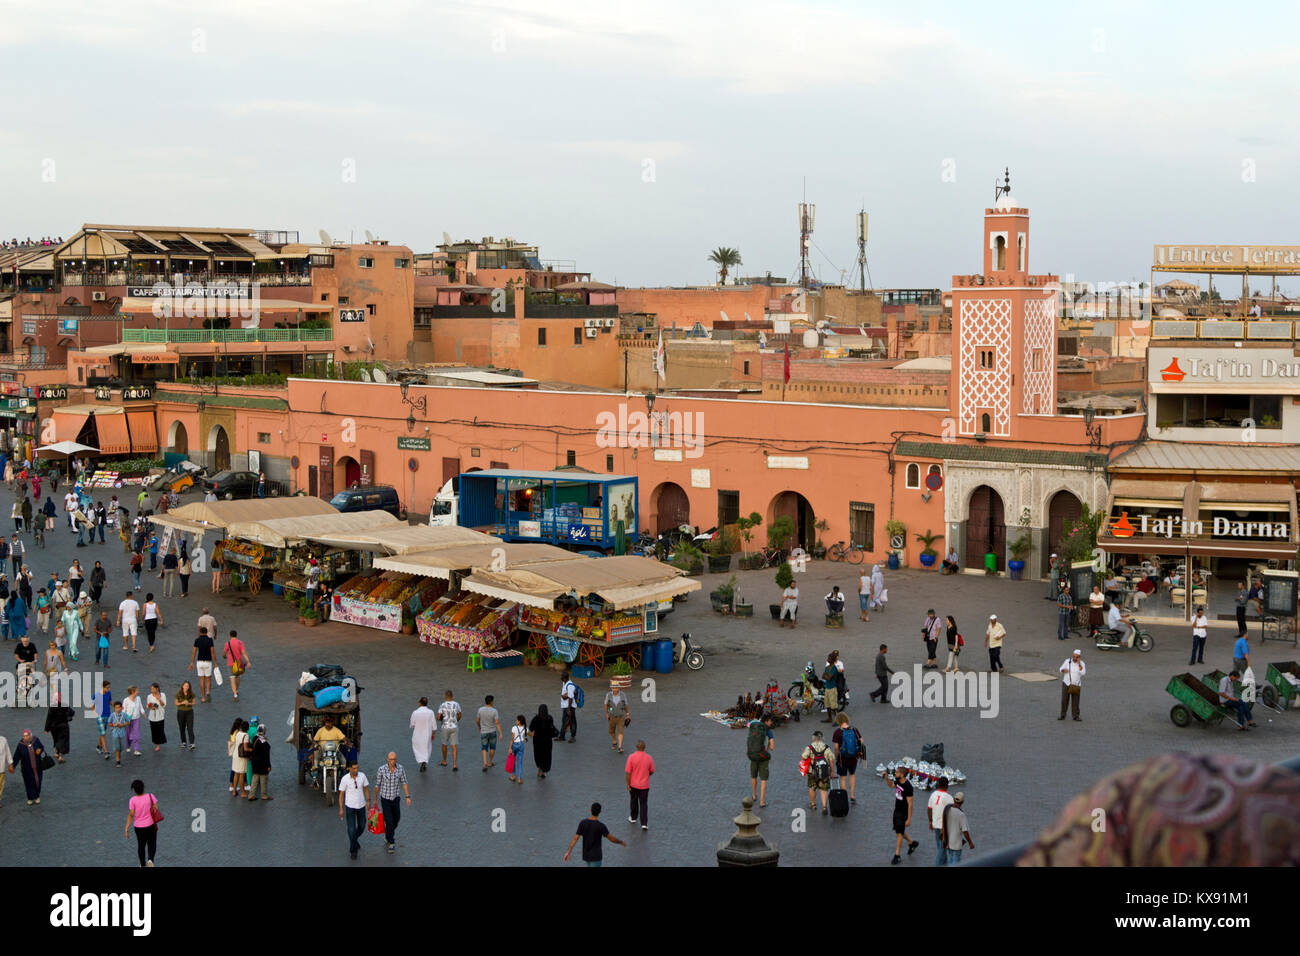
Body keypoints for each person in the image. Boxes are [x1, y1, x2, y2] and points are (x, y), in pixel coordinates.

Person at [373, 752, 410, 851]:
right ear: (387, 759)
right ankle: (391, 842)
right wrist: (375, 800)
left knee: (396, 819)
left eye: (393, 759)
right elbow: (377, 785)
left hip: (395, 798)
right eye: (390, 759)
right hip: (385, 799)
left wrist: (407, 796)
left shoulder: (400, 769)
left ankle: (388, 833)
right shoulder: (381, 769)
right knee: (389, 821)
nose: (392, 761)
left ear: (396, 760)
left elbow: (404, 782)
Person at [886, 764, 920, 864]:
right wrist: (886, 778)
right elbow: (891, 785)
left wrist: (909, 819)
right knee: (898, 830)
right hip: (896, 810)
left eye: (896, 772)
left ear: (901, 774)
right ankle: (912, 843)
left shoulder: (908, 787)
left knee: (899, 834)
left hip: (903, 813)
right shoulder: (897, 781)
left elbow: (910, 804)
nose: (895, 773)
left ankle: (897, 855)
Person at [338, 762, 371, 860]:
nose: (356, 770)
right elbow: (341, 795)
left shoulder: (362, 776)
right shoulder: (345, 779)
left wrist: (368, 801)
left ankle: (354, 840)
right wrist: (341, 808)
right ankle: (353, 850)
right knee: (351, 829)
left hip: (361, 805)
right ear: (349, 769)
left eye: (357, 768)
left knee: (362, 826)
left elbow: (366, 789)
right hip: (350, 807)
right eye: (354, 768)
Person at [125, 779, 161, 867]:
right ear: (143, 788)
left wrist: (126, 828)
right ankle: (150, 860)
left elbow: (131, 814)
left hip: (138, 827)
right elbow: (156, 807)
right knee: (152, 843)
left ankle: (142, 864)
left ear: (134, 790)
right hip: (151, 825)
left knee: (141, 845)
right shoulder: (150, 796)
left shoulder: (132, 800)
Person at [8, 729, 46, 805]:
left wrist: (40, 750)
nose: (25, 737)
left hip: (37, 767)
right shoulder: (21, 744)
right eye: (24, 736)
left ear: (30, 735)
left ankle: (37, 796)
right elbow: (16, 756)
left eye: (27, 736)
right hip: (26, 768)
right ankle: (30, 798)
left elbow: (42, 747)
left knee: (38, 781)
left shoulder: (36, 740)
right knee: (28, 783)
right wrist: (13, 766)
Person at [831, 712, 862, 804]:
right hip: (853, 757)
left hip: (842, 758)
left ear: (838, 721)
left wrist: (836, 757)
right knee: (852, 775)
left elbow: (836, 748)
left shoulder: (837, 732)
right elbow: (861, 741)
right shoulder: (854, 729)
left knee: (843, 778)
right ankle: (852, 795)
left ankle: (844, 796)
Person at [802, 729, 834, 815]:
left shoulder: (809, 747)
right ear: (822, 738)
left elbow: (804, 757)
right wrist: (832, 771)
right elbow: (831, 760)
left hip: (812, 772)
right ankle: (824, 807)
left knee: (812, 788)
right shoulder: (827, 747)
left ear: (813, 738)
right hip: (824, 772)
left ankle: (813, 804)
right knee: (824, 789)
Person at [625, 739, 655, 829]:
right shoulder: (649, 758)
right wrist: (646, 775)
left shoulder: (631, 757)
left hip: (633, 785)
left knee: (633, 801)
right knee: (643, 803)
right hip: (645, 785)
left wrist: (627, 784)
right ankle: (644, 823)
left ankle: (633, 818)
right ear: (644, 747)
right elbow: (652, 770)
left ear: (636, 747)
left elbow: (628, 772)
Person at [747, 712, 775, 807]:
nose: (771, 723)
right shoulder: (768, 731)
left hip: (753, 755)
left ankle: (754, 795)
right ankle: (762, 801)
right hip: (763, 757)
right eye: (771, 721)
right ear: (767, 721)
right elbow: (772, 747)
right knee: (763, 779)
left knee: (754, 776)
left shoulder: (754, 727)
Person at [927, 776, 954, 866]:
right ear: (947, 786)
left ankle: (944, 864)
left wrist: (930, 821)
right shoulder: (949, 797)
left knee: (940, 847)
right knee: (942, 849)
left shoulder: (933, 794)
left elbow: (929, 809)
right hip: (944, 827)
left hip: (935, 825)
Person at [942, 792, 974, 864]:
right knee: (956, 862)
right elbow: (965, 831)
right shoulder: (961, 814)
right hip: (956, 844)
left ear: (953, 799)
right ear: (962, 801)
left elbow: (943, 824)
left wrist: (944, 839)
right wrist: (970, 843)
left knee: (950, 861)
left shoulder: (947, 810)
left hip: (948, 842)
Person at [189, 626, 215, 702]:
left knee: (201, 680)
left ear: (200, 632)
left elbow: (194, 652)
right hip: (208, 662)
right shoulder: (210, 640)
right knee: (208, 679)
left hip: (199, 662)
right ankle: (208, 692)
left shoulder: (197, 640)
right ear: (207, 632)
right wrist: (215, 663)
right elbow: (212, 652)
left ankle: (203, 697)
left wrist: (192, 662)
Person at [44, 693, 73, 763]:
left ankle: (56, 753)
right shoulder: (64, 705)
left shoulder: (52, 707)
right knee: (62, 741)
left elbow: (49, 718)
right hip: (63, 726)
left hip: (53, 727)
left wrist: (46, 729)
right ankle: (60, 756)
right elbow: (72, 712)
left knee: (56, 740)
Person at [436, 689, 461, 770]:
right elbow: (459, 714)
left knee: (444, 744)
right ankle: (454, 764)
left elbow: (438, 717)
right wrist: (456, 720)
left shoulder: (442, 705)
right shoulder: (457, 704)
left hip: (445, 727)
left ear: (445, 696)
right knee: (454, 746)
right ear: (452, 696)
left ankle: (444, 761)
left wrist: (441, 720)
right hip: (454, 727)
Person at [476, 694, 502, 770]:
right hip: (492, 731)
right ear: (491, 702)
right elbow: (497, 722)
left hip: (483, 731)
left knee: (484, 748)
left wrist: (479, 727)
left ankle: (485, 763)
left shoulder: (480, 709)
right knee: (492, 748)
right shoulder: (494, 711)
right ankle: (490, 762)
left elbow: (477, 721)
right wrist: (500, 733)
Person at [409, 697, 436, 771]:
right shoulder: (431, 712)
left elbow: (412, 724)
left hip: (417, 734)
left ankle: (421, 762)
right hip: (427, 734)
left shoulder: (415, 712)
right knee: (427, 748)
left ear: (420, 703)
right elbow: (434, 726)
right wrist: (433, 734)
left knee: (417, 748)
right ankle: (424, 762)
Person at [1059, 649, 1085, 721]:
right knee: (1064, 700)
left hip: (1076, 685)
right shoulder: (1067, 661)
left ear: (1079, 657)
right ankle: (1062, 715)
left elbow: (1083, 673)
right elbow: (1060, 668)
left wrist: (1079, 664)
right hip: (1066, 683)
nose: (1075, 658)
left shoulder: (1082, 663)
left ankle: (1076, 716)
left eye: (1076, 657)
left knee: (1075, 701)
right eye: (1074, 656)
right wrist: (1063, 670)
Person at [223, 629, 249, 701]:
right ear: (236, 635)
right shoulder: (240, 643)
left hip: (231, 663)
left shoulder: (228, 643)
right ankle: (236, 690)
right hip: (239, 663)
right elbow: (244, 653)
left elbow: (224, 653)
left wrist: (224, 656)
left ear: (230, 636)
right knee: (238, 677)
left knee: (232, 678)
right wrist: (248, 661)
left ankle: (234, 694)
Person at [605, 680, 630, 752]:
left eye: (616, 687)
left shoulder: (623, 695)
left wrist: (627, 714)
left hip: (621, 716)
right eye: (613, 688)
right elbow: (606, 705)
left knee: (620, 731)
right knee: (611, 731)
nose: (615, 689)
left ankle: (620, 747)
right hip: (612, 716)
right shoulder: (608, 695)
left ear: (619, 688)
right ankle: (614, 742)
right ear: (611, 688)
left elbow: (625, 705)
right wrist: (607, 713)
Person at [249, 725, 273, 800]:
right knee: (263, 780)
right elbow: (266, 756)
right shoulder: (265, 743)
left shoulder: (254, 738)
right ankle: (264, 795)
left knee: (254, 779)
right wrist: (269, 766)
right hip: (263, 764)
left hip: (254, 763)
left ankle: (251, 795)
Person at [229, 719, 250, 797]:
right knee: (242, 774)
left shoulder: (238, 733)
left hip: (235, 755)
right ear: (247, 728)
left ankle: (234, 791)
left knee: (236, 774)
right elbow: (245, 748)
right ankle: (243, 792)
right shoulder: (246, 736)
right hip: (242, 757)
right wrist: (251, 749)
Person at [122, 685, 144, 756]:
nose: (138, 692)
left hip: (136, 719)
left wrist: (143, 712)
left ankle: (136, 749)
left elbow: (141, 707)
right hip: (128, 720)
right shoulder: (126, 700)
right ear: (132, 692)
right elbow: (123, 710)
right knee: (128, 734)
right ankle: (128, 745)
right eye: (137, 691)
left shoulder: (138, 698)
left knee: (136, 734)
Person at [507, 714, 528, 784]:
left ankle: (513, 776)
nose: (516, 721)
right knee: (520, 762)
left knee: (513, 760)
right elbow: (530, 735)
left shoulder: (514, 728)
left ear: (519, 721)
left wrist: (510, 748)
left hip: (514, 745)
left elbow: (512, 739)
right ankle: (519, 778)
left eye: (517, 720)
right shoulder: (525, 728)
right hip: (521, 745)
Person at [146, 683, 167, 752]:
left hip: (160, 715)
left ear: (157, 689)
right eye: (151, 689)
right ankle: (157, 745)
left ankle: (160, 741)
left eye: (153, 689)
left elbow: (164, 705)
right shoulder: (149, 696)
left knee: (160, 730)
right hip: (152, 716)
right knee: (154, 731)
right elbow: (148, 705)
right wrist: (151, 707)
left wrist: (159, 699)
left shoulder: (162, 695)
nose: (151, 690)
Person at [175, 681, 196, 750]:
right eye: (185, 686)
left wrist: (188, 703)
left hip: (189, 712)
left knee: (190, 727)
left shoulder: (192, 694)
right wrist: (182, 702)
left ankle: (192, 743)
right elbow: (176, 703)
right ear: (182, 686)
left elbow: (193, 703)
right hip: (181, 712)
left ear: (189, 687)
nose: (186, 687)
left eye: (187, 686)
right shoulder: (178, 694)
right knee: (182, 727)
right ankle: (183, 742)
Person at [558, 670, 578, 742]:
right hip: (565, 706)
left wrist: (569, 709)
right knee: (564, 721)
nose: (560, 677)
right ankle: (562, 736)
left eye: (562, 676)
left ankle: (573, 737)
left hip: (569, 707)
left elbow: (570, 697)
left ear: (565, 678)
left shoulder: (570, 686)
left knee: (572, 721)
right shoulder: (564, 683)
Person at [107, 702, 129, 767]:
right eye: (116, 708)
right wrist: (114, 725)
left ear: (121, 708)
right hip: (115, 733)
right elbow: (109, 723)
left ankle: (118, 756)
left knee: (122, 748)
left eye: (119, 707)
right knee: (117, 748)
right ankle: (118, 761)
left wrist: (123, 725)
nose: (117, 709)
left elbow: (128, 722)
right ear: (114, 708)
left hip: (122, 733)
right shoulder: (112, 715)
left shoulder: (124, 714)